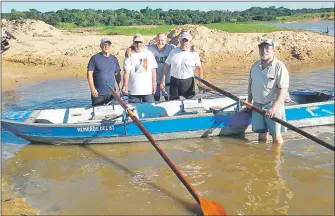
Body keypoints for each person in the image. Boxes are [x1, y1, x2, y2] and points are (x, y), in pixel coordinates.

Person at [247, 38, 289, 144]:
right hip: (257, 106)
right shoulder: (255, 66)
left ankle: (277, 160)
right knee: (261, 137)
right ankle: (263, 158)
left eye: (267, 48)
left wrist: (274, 107)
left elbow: (283, 90)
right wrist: (249, 102)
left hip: (272, 106)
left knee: (276, 138)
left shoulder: (279, 66)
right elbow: (250, 85)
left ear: (273, 50)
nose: (263, 50)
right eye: (261, 48)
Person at [160, 31, 203, 100]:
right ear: (179, 41)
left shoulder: (194, 53)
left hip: (188, 82)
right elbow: (167, 67)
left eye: (186, 41)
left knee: (189, 102)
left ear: (190, 42)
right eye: (182, 40)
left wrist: (200, 83)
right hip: (174, 81)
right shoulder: (174, 51)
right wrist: (163, 81)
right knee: (173, 102)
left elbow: (199, 68)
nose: (184, 43)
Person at [122, 33, 158, 103]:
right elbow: (126, 72)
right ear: (133, 44)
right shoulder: (129, 55)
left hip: (147, 90)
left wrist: (154, 83)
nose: (138, 44)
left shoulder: (149, 53)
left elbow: (153, 70)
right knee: (134, 111)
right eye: (136, 42)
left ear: (143, 43)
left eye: (140, 42)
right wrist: (125, 85)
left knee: (150, 109)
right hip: (133, 91)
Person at [87, 38, 121, 106]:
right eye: (105, 44)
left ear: (110, 46)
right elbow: (89, 74)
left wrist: (119, 85)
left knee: (113, 113)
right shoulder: (94, 58)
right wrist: (92, 88)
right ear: (101, 46)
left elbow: (117, 73)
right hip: (98, 94)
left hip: (112, 94)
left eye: (108, 45)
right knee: (98, 114)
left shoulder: (114, 59)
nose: (107, 46)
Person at [147, 33, 175, 101]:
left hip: (167, 79)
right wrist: (129, 49)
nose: (160, 42)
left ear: (166, 40)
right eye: (158, 40)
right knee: (155, 99)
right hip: (154, 80)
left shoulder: (171, 48)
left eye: (162, 40)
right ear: (155, 40)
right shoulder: (150, 48)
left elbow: (181, 48)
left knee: (167, 98)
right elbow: (138, 46)